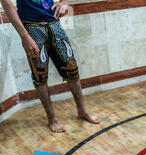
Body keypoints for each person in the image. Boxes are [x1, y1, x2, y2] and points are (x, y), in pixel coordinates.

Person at [1, 0, 100, 133]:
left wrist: (64, 2)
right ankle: (51, 117)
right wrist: (24, 36)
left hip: (54, 24)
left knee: (72, 70)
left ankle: (82, 110)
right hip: (32, 28)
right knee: (40, 76)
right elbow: (8, 5)